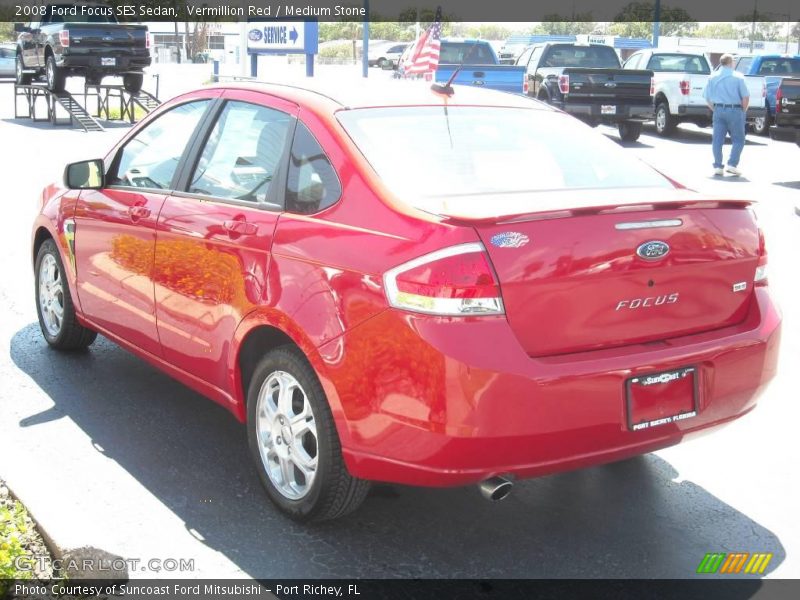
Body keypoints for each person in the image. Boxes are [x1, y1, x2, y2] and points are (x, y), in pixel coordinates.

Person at [703, 54, 750, 177]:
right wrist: (743, 111)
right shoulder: (738, 77)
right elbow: (745, 97)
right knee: (739, 139)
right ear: (730, 63)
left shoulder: (712, 77)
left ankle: (718, 166)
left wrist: (715, 108)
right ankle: (732, 164)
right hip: (735, 110)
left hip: (718, 110)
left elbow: (707, 98)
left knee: (717, 140)